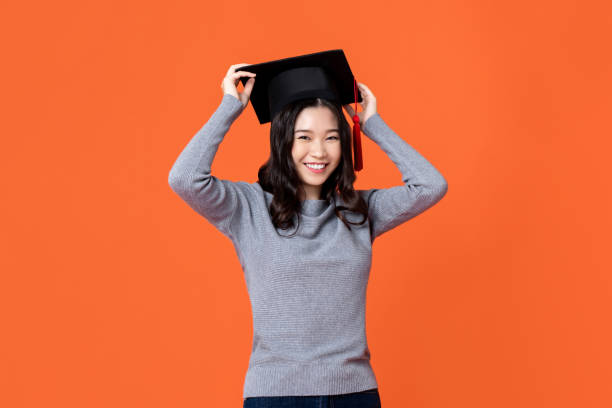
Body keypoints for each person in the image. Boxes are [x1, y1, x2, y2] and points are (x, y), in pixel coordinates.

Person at [168, 50, 448, 408]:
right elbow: (185, 179)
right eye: (304, 137)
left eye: (331, 137)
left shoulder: (359, 211)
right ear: (283, 140)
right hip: (276, 396)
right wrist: (228, 108)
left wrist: (372, 125)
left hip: (355, 395)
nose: (319, 151)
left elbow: (430, 186)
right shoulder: (247, 207)